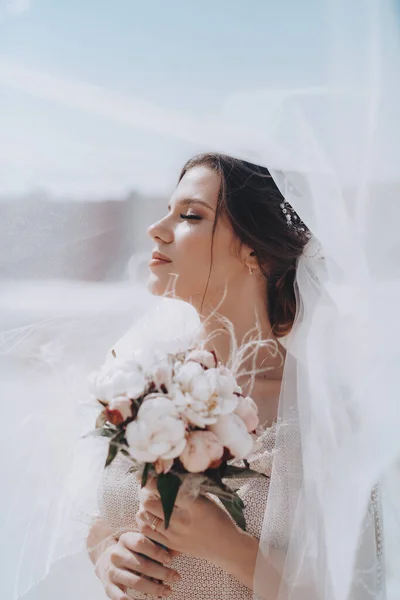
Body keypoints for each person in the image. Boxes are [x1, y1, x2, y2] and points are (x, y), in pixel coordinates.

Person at [87, 153, 313, 600]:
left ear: (255, 250)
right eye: (168, 210)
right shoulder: (145, 380)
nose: (157, 228)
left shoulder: (314, 410)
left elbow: (355, 584)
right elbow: (97, 518)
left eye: (190, 215)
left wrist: (229, 547)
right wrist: (107, 558)